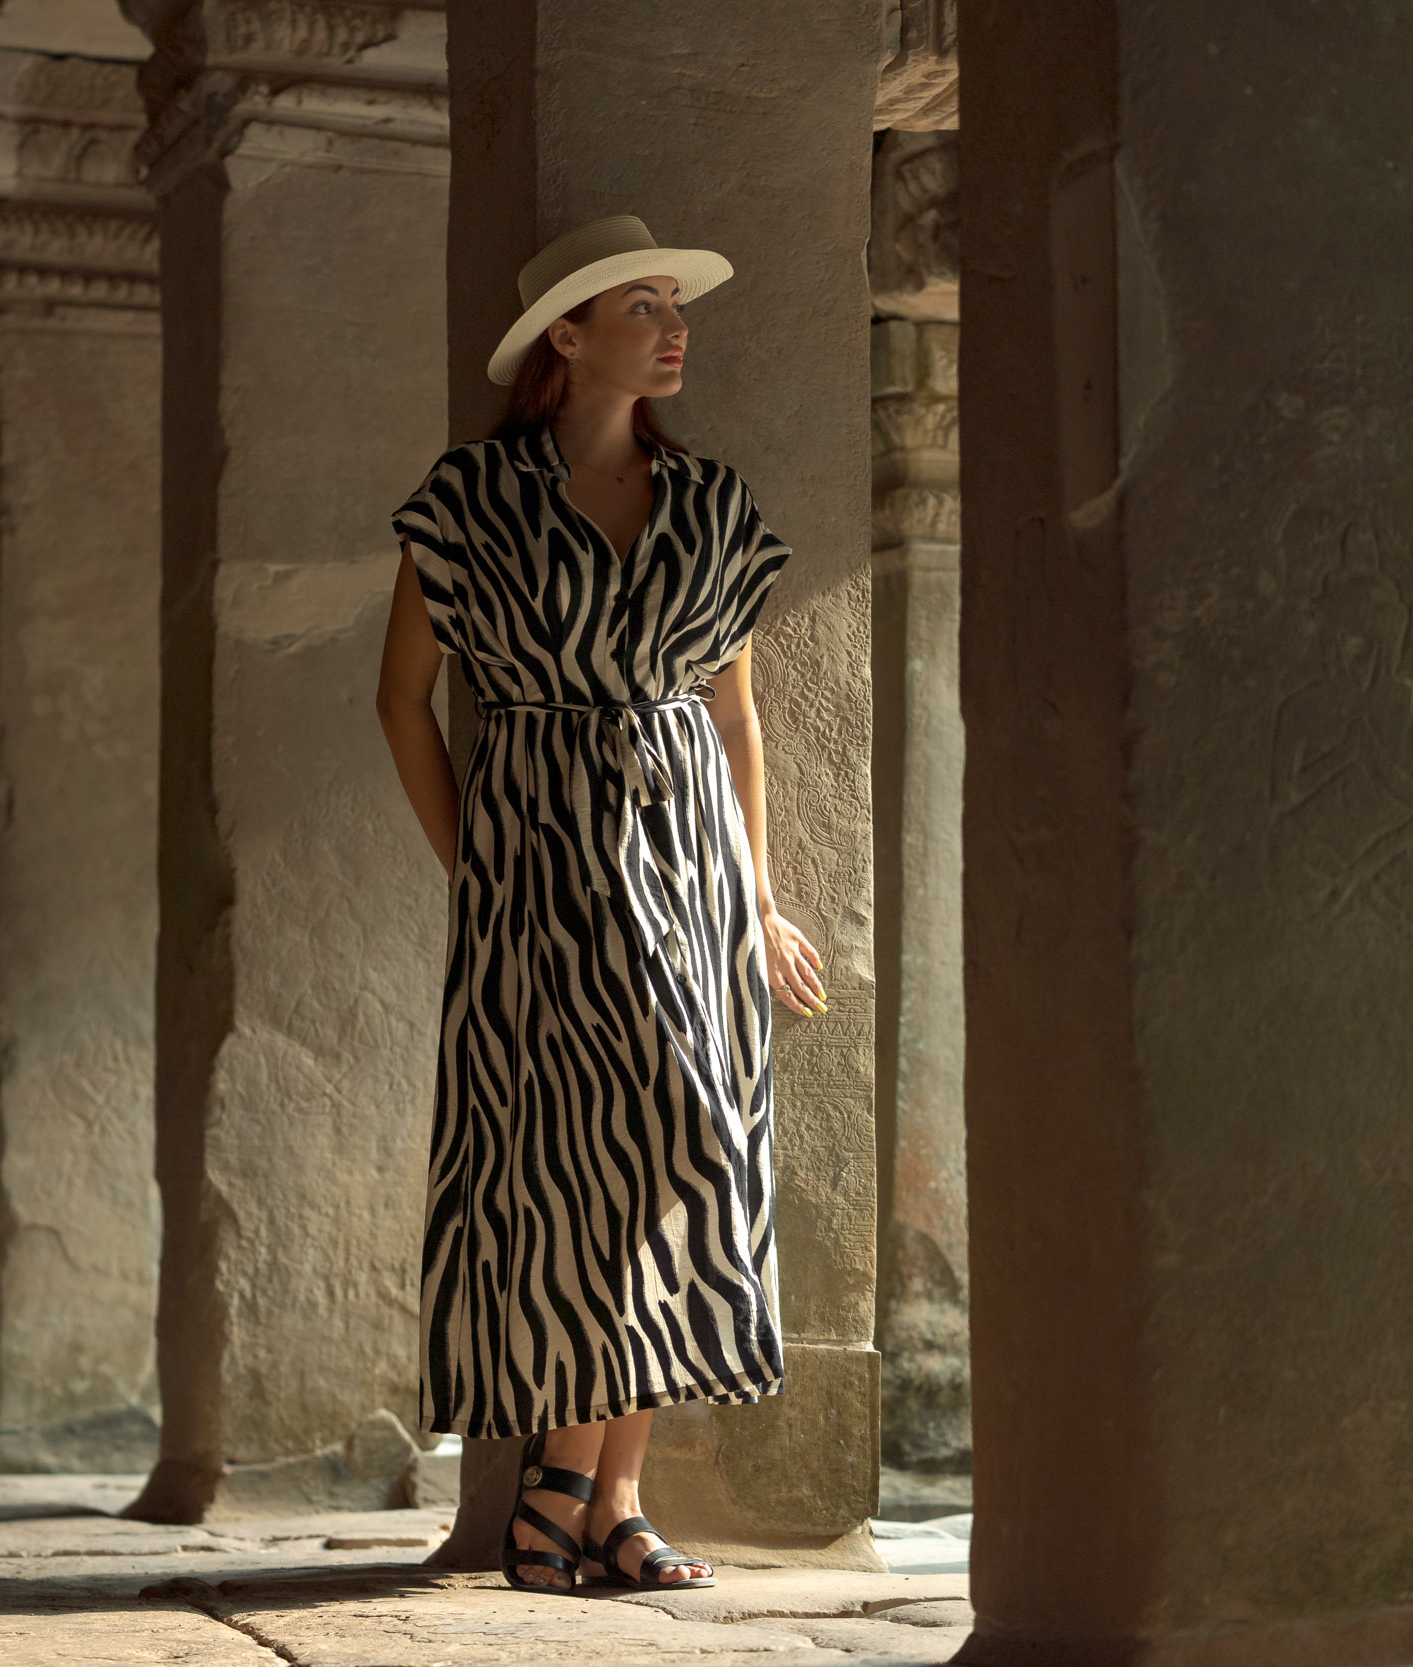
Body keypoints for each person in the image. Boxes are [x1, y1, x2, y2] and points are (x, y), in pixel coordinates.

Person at [376, 216, 824, 1595]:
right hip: (538, 879)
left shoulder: (713, 505)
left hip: (690, 876)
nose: (673, 324)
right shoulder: (469, 501)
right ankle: (583, 1498)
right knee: (570, 1182)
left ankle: (595, 1492)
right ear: (566, 339)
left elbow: (736, 724)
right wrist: (480, 870)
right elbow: (401, 703)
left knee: (682, 1154)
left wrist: (758, 901)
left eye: (673, 302)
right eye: (641, 305)